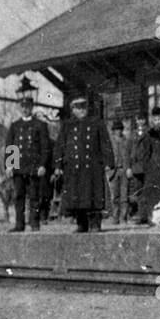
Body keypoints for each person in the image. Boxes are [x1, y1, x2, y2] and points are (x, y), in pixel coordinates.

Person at [56, 96, 114, 233]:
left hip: (92, 165)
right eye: (78, 108)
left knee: (92, 195)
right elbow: (59, 146)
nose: (81, 110)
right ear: (73, 109)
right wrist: (58, 166)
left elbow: (105, 143)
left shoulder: (96, 123)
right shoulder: (67, 125)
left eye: (83, 107)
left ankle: (95, 223)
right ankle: (81, 224)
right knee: (78, 196)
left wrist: (109, 162)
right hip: (74, 166)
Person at [5, 93, 50, 232]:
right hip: (18, 167)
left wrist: (43, 164)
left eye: (28, 106)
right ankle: (19, 224)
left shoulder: (40, 125)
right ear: (20, 108)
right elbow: (11, 146)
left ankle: (34, 223)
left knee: (34, 196)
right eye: (23, 106)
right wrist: (9, 165)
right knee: (19, 196)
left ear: (32, 107)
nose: (25, 109)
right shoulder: (15, 126)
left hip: (34, 166)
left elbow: (45, 147)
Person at [126, 113, 149, 223]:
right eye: (138, 119)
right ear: (136, 121)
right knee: (138, 191)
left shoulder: (149, 133)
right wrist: (128, 167)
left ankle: (147, 215)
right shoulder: (132, 135)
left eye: (142, 119)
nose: (140, 121)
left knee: (148, 190)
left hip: (146, 166)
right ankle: (141, 215)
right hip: (135, 167)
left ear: (145, 120)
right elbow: (128, 152)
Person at [108, 119, 131, 225]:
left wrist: (129, 168)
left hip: (124, 170)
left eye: (120, 129)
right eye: (116, 129)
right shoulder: (109, 142)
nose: (118, 131)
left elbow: (130, 156)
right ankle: (115, 217)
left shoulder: (126, 140)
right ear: (113, 131)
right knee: (114, 196)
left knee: (124, 195)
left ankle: (124, 217)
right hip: (113, 171)